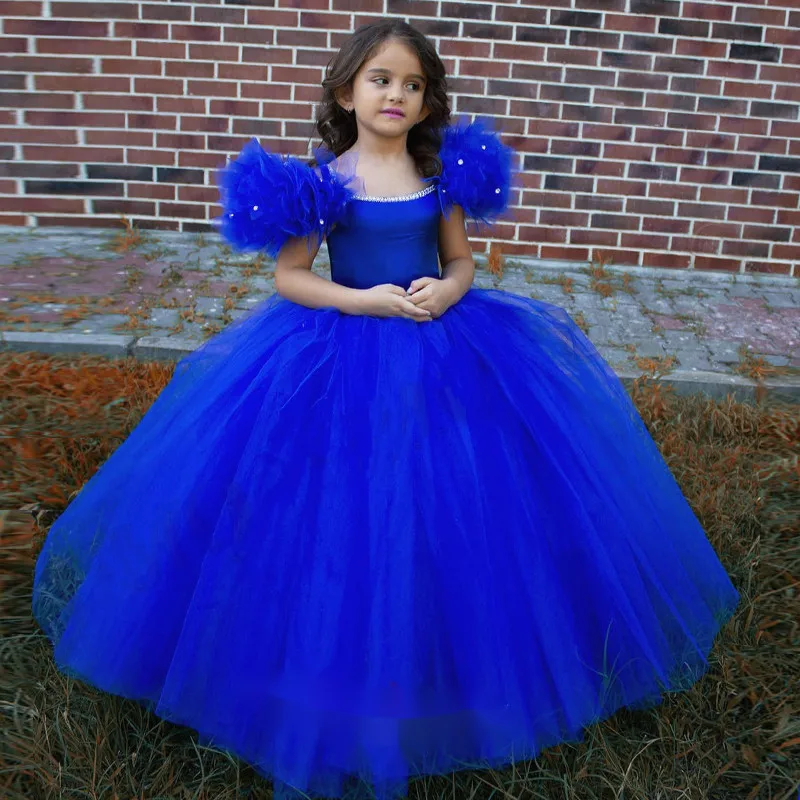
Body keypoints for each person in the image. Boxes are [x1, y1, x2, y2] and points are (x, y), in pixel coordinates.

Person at [32, 19, 740, 800]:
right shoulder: (323, 184)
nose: (396, 94)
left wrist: (449, 287)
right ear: (346, 91)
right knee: (335, 505)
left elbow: (463, 258)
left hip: (447, 349)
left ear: (428, 99)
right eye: (380, 79)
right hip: (340, 352)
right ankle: (301, 670)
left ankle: (458, 658)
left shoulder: (442, 178)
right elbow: (292, 278)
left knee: (459, 497)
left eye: (411, 83)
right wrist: (361, 301)